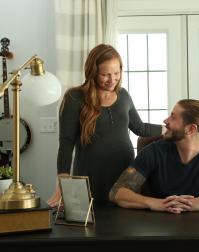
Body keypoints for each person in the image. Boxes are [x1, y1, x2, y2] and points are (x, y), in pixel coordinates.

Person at [47, 44, 165, 207]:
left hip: (124, 173)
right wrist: (63, 181)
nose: (112, 79)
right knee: (91, 226)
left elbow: (140, 128)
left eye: (117, 73)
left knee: (124, 225)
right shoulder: (74, 98)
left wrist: (168, 129)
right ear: (93, 72)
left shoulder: (123, 95)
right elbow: (66, 143)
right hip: (90, 175)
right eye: (105, 74)